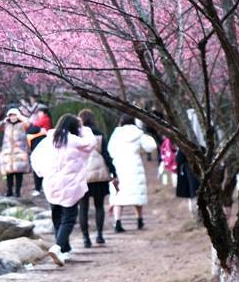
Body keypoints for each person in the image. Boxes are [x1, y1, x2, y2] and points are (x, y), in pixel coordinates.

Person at [30, 114, 98, 265]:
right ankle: (58, 247)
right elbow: (91, 143)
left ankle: (64, 250)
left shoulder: (49, 140)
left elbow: (35, 157)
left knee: (57, 217)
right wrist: (84, 128)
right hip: (70, 184)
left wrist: (42, 174)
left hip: (51, 183)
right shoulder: (74, 140)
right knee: (68, 218)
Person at [107, 114, 158, 231]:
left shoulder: (116, 134)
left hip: (119, 166)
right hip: (134, 165)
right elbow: (151, 146)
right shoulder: (138, 133)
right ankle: (139, 220)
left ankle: (117, 222)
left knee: (118, 195)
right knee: (137, 193)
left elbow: (110, 150)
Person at [76, 109, 117, 247]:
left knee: (83, 207)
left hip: (82, 176)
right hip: (99, 176)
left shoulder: (77, 135)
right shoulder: (99, 133)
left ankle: (86, 238)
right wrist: (113, 172)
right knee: (99, 206)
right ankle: (99, 235)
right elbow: (106, 154)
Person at [0, 108, 30, 197]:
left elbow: (28, 124)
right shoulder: (6, 125)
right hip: (8, 152)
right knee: (9, 172)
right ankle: (9, 190)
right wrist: (3, 121)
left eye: (14, 115)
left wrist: (20, 117)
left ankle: (17, 191)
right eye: (11, 115)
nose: (13, 117)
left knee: (18, 172)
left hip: (20, 151)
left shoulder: (22, 124)